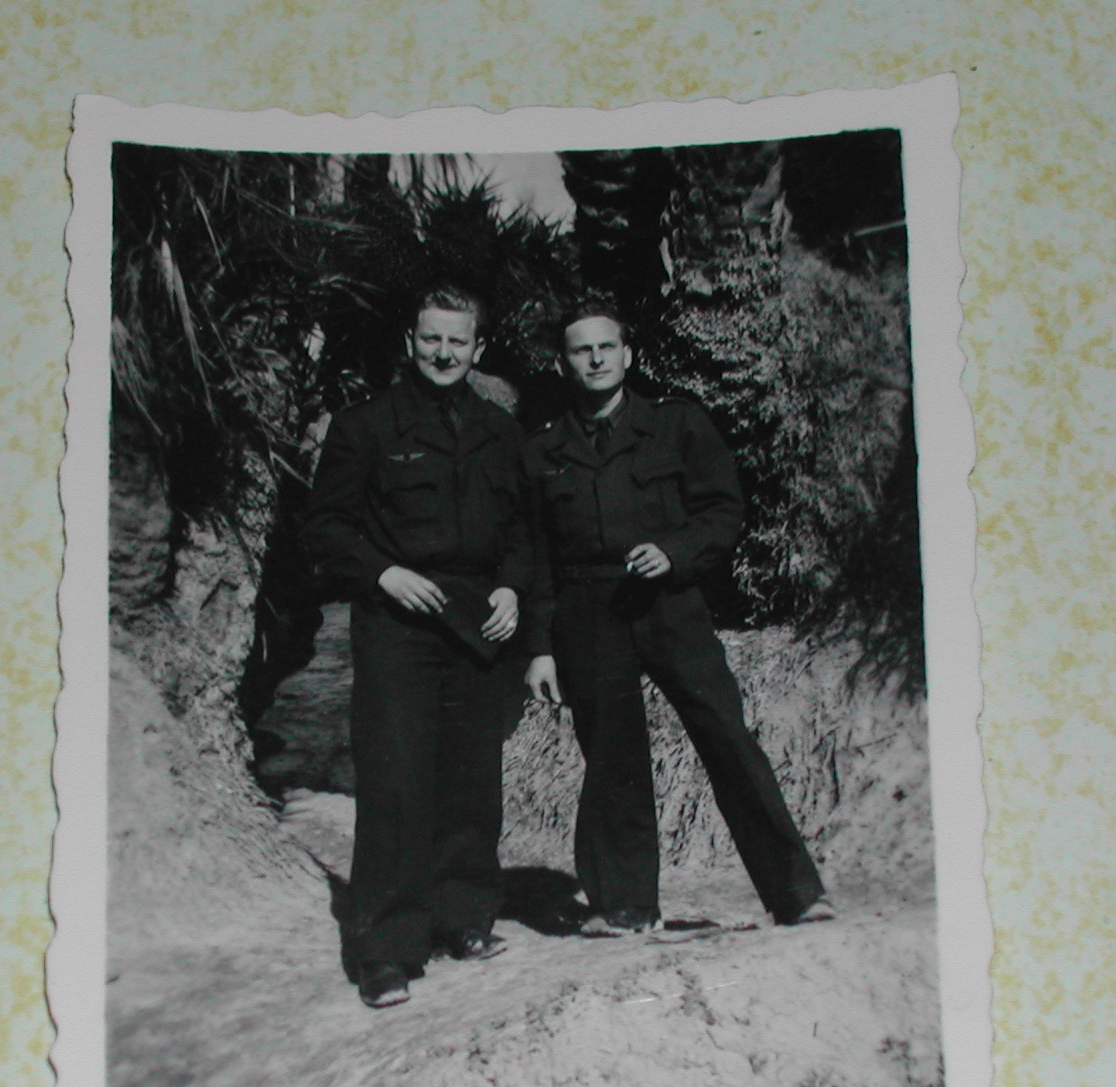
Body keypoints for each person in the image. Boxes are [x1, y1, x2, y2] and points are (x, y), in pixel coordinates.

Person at [521, 300, 832, 935]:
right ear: (562, 364)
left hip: (669, 604)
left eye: (607, 347)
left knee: (727, 737)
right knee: (612, 757)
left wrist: (676, 552)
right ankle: (625, 906)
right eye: (582, 350)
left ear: (627, 355)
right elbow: (533, 557)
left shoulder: (676, 424)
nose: (596, 359)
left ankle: (797, 894)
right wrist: (539, 647)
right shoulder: (543, 450)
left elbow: (722, 510)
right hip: (588, 612)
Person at [302, 287, 530, 1007]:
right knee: (397, 782)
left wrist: (512, 588)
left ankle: (463, 918)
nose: (443, 352)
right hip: (397, 625)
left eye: (458, 341)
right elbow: (325, 527)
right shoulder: (365, 425)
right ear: (410, 341)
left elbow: (524, 531)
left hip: (477, 624)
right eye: (432, 338)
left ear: (478, 349)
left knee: (470, 780)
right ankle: (386, 950)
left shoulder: (500, 431)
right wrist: (383, 573)